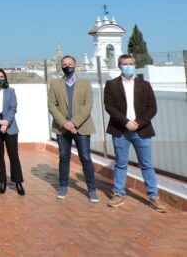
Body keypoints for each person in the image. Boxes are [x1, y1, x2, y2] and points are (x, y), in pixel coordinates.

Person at [104, 54, 166, 212]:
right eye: (125, 64)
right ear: (119, 66)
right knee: (121, 163)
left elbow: (152, 108)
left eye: (131, 63)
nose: (128, 66)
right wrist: (126, 122)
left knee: (146, 164)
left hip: (142, 130)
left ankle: (153, 196)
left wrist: (137, 123)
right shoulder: (111, 85)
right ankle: (118, 194)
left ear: (135, 65)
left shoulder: (144, 85)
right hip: (120, 130)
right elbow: (109, 107)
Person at [47, 55, 98, 202]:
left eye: (69, 64)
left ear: (75, 65)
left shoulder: (85, 84)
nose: (67, 66)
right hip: (62, 128)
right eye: (64, 64)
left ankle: (92, 189)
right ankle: (63, 186)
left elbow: (87, 106)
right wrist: (65, 123)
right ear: (60, 66)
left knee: (86, 157)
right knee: (64, 157)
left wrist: (74, 123)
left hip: (82, 127)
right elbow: (51, 105)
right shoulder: (55, 83)